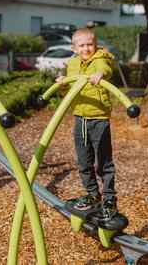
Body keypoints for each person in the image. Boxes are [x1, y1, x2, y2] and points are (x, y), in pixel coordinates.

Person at [56, 27, 117, 221]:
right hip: (80, 118)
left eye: (90, 44)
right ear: (74, 48)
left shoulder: (99, 59)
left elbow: (106, 68)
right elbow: (69, 91)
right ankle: (92, 194)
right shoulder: (73, 64)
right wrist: (63, 83)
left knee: (104, 162)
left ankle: (109, 200)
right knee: (84, 161)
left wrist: (100, 73)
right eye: (81, 45)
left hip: (98, 118)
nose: (86, 48)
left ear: (95, 45)